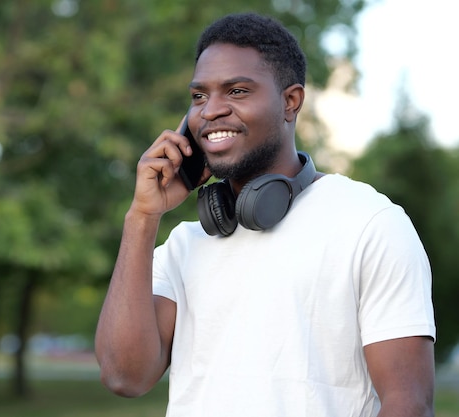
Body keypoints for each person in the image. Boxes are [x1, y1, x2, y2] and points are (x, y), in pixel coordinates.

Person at [95, 12, 436, 417]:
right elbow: (124, 376)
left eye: (237, 91)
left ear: (290, 102)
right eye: (199, 96)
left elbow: (407, 404)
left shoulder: (370, 223)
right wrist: (142, 217)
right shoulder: (184, 244)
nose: (210, 111)